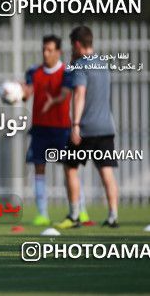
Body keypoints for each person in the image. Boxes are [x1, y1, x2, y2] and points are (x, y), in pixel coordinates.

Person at [21, 35, 91, 226]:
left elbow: (65, 94)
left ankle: (81, 211)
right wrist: (19, 92)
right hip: (40, 130)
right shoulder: (33, 72)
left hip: (62, 130)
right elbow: (27, 93)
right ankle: (42, 214)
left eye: (50, 50)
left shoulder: (67, 72)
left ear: (58, 52)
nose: (46, 53)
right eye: (44, 49)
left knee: (71, 170)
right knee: (39, 170)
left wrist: (53, 101)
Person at [56, 26, 119, 229]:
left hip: (85, 128)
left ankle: (74, 215)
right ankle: (113, 217)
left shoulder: (81, 66)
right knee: (106, 172)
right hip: (106, 127)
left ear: (76, 44)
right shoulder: (103, 64)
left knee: (70, 168)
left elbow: (80, 95)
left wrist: (75, 125)